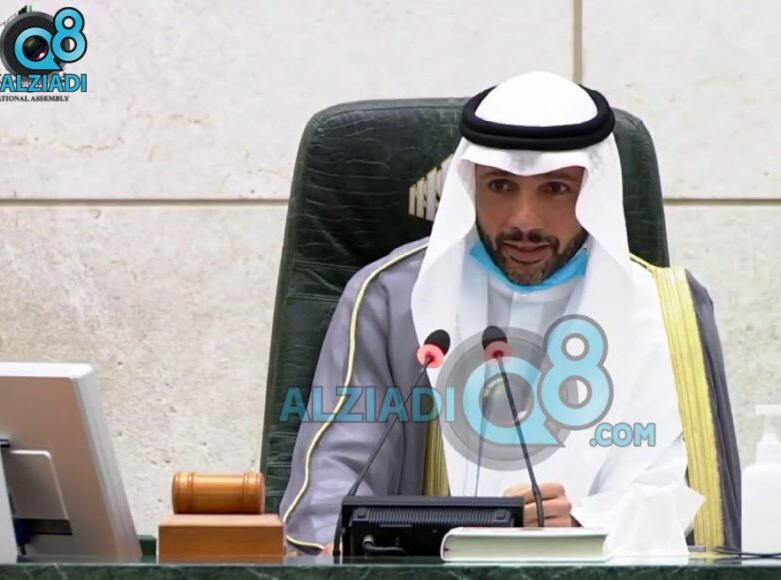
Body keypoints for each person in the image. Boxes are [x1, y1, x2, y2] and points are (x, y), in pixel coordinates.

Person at [278, 71, 739, 554]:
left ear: (594, 190)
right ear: (469, 183)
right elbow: (328, 494)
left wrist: (582, 523)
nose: (524, 220)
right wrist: (336, 547)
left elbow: (687, 501)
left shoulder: (664, 311)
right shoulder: (394, 300)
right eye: (500, 185)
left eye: (555, 188)